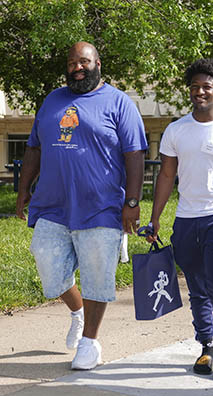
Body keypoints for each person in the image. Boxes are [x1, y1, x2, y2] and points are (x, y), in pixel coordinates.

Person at [16, 41, 148, 370]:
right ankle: (77, 312)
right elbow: (34, 148)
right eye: (73, 62)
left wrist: (132, 201)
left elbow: (135, 155)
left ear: (98, 63)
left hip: (101, 206)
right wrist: (23, 191)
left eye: (84, 61)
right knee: (49, 267)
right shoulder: (52, 100)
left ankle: (90, 342)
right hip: (52, 204)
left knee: (97, 276)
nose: (78, 67)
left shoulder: (119, 103)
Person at [147, 58, 213, 380]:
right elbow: (166, 175)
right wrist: (155, 219)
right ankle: (206, 345)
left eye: (206, 86)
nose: (200, 92)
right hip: (186, 219)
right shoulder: (176, 130)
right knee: (195, 286)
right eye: (194, 87)